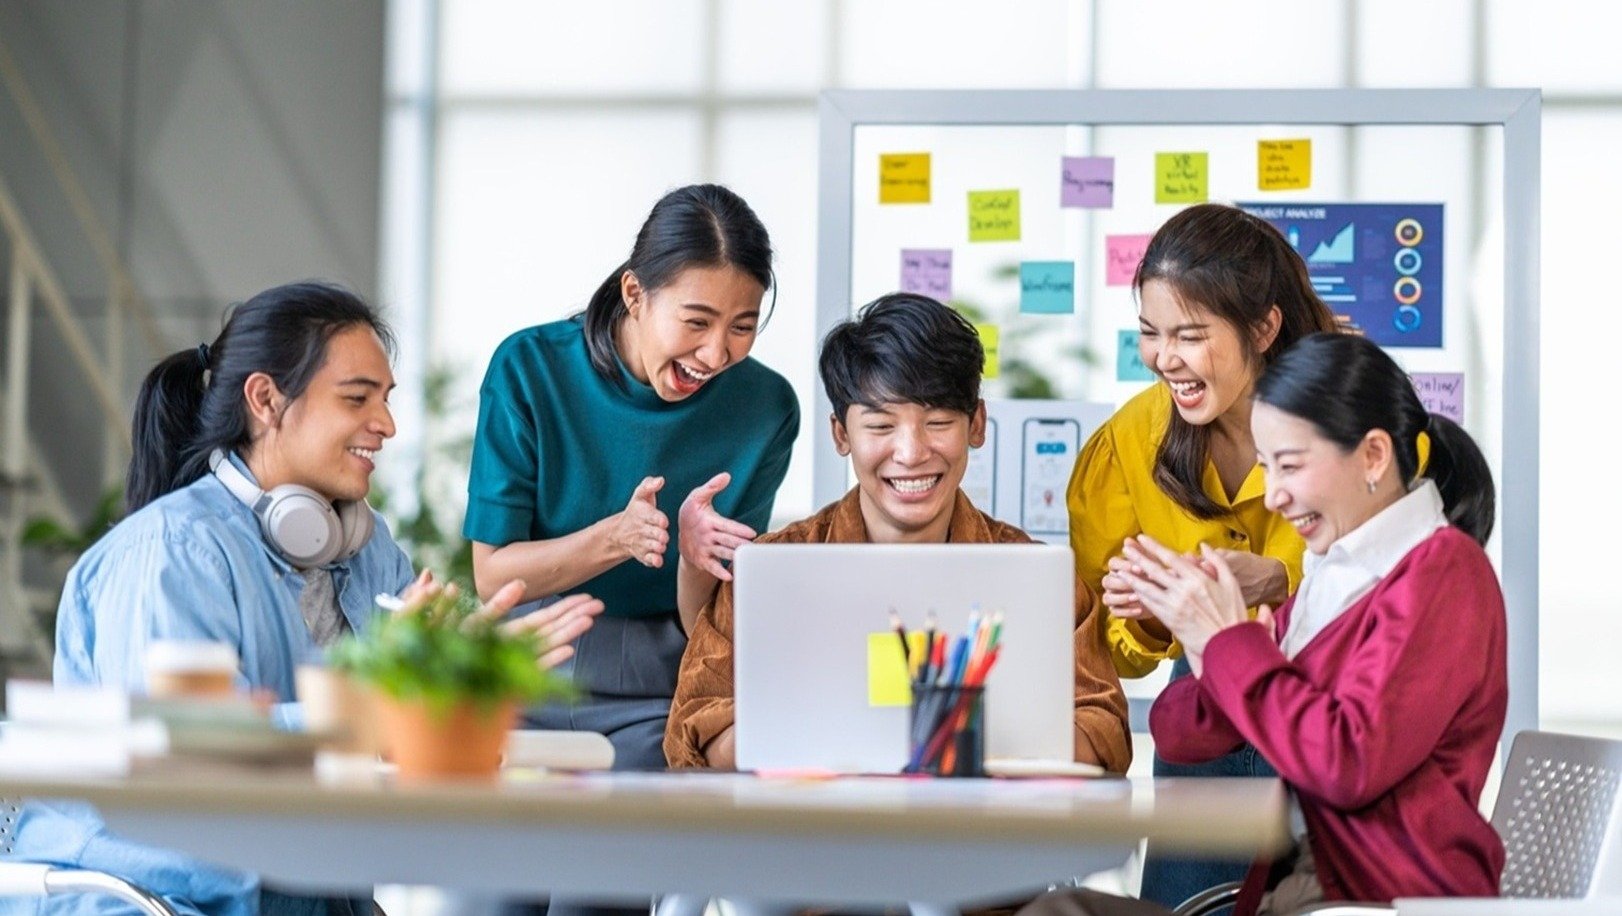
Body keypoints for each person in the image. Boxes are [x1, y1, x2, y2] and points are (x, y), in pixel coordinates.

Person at [17, 282, 600, 916]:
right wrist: (383, 709)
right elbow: (194, 756)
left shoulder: (366, 549)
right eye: (357, 398)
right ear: (266, 400)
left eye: (385, 399)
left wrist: (467, 677)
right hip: (169, 899)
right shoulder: (171, 552)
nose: (386, 425)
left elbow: (407, 732)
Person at [1021, 332, 1504, 915]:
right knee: (1061, 909)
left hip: (1370, 897)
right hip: (1290, 895)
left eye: (1290, 467)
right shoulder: (1331, 576)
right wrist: (1195, 633)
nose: (1272, 497)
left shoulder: (1443, 571)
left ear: (1374, 456)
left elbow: (1345, 765)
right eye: (1265, 467)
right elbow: (1182, 733)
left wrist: (1231, 640)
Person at [666, 291, 1130, 774]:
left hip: (984, 838)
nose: (910, 452)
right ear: (841, 435)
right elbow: (697, 728)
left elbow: (1105, 732)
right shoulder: (772, 570)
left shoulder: (1038, 577)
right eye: (881, 425)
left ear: (977, 424)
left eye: (938, 422)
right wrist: (859, 740)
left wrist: (947, 739)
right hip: (819, 838)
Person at [465, 183, 799, 771]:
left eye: (742, 327)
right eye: (696, 321)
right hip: (524, 668)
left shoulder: (766, 407)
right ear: (635, 293)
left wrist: (696, 561)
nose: (717, 353)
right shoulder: (528, 368)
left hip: (662, 688)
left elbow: (714, 623)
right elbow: (493, 575)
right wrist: (615, 539)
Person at [1065, 203, 1340, 905]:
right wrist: (1154, 616)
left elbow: (1399, 581)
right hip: (1205, 727)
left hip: (1337, 726)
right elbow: (1117, 652)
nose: (1165, 359)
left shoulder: (1349, 422)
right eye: (1151, 335)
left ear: (1264, 326)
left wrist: (1276, 579)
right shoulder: (1131, 441)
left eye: (1190, 335)